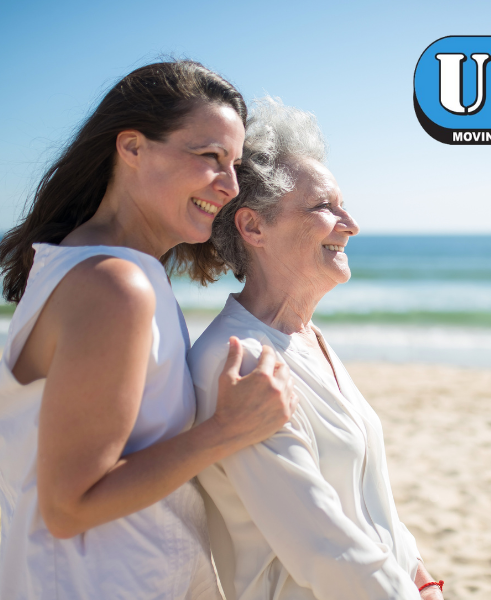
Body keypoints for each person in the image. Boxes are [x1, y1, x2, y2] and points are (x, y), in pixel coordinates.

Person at [0, 61, 296, 599]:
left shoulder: (101, 269)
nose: (228, 186)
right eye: (209, 157)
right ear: (132, 148)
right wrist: (228, 428)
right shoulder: (115, 286)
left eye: (235, 165)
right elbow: (69, 506)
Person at [189, 98, 445, 600]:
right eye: (324, 207)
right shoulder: (235, 362)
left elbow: (373, 505)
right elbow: (324, 548)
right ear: (253, 227)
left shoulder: (307, 337)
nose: (350, 224)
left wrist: (422, 577)